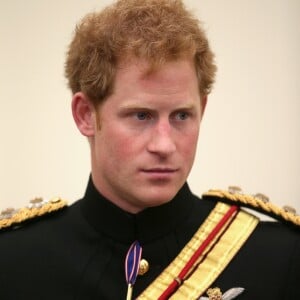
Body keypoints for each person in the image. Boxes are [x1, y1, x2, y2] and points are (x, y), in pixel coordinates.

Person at [0, 0, 299, 299]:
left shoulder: (280, 258)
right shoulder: (13, 261)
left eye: (182, 116)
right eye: (141, 116)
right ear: (85, 115)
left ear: (202, 109)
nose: (164, 145)